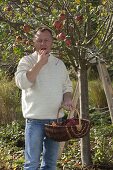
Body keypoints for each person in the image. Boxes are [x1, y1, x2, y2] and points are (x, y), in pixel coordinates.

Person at [15, 26, 74, 170]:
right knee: (31, 164)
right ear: (34, 42)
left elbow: (67, 87)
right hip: (35, 121)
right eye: (40, 40)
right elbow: (22, 83)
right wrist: (40, 63)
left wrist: (67, 99)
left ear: (52, 42)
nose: (43, 44)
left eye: (46, 40)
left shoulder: (59, 64)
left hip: (56, 122)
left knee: (50, 164)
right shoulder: (27, 61)